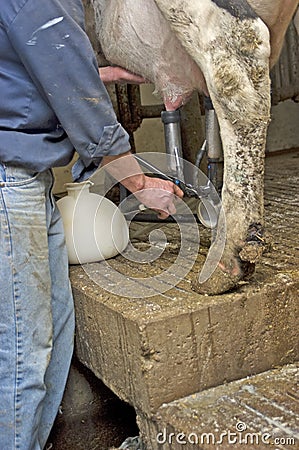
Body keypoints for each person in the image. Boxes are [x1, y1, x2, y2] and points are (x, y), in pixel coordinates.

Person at [0, 1, 183, 449]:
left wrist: (97, 74)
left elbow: (21, 68)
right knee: (25, 348)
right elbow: (65, 78)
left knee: (54, 329)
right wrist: (137, 181)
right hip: (10, 183)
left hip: (26, 179)